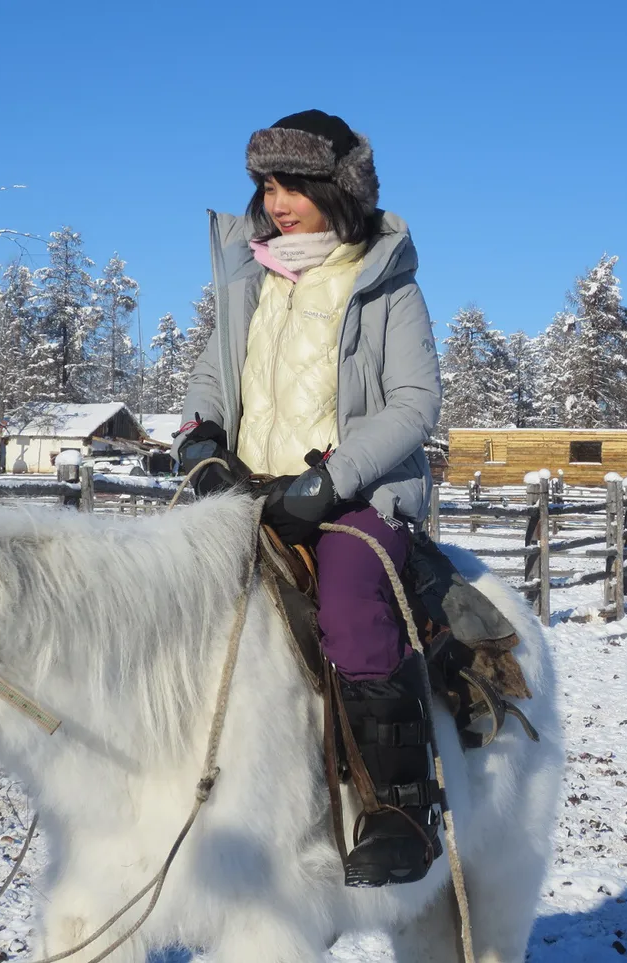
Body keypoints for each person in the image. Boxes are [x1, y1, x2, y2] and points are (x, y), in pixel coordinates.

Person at [174, 110, 443, 888]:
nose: (277, 199)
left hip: (348, 494)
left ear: (337, 188)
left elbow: (414, 401)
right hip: (253, 492)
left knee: (355, 599)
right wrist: (200, 438)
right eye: (267, 184)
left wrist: (333, 478)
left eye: (293, 184)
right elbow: (210, 378)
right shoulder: (251, 275)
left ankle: (397, 812)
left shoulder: (384, 279)